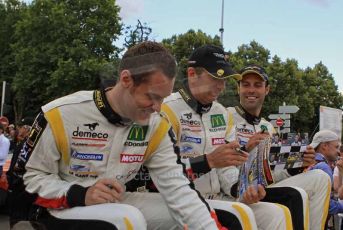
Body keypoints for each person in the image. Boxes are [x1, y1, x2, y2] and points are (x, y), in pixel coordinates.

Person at [16, 41, 223, 230]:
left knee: (201, 214)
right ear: (126, 79)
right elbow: (25, 179)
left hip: (117, 201)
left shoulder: (157, 127)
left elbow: (178, 188)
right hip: (58, 208)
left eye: (164, 98)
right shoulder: (60, 113)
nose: (158, 107)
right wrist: (80, 193)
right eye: (151, 97)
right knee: (127, 219)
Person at [161, 45, 292, 230]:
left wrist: (242, 189)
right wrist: (208, 161)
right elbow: (160, 174)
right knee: (242, 216)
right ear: (192, 74)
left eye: (224, 79)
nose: (221, 86)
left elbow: (227, 168)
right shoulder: (166, 109)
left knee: (276, 214)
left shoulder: (222, 114)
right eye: (215, 78)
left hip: (219, 197)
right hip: (183, 200)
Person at [226, 64, 331, 230]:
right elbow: (220, 167)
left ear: (267, 90)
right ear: (238, 88)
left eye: (258, 85)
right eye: (245, 85)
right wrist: (245, 148)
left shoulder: (268, 127)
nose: (251, 90)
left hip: (264, 190)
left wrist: (297, 165)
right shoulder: (225, 116)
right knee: (296, 196)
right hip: (234, 193)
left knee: (320, 176)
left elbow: (274, 175)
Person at [309, 130, 343, 214]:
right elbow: (326, 204)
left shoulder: (311, 162)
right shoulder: (323, 167)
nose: (339, 152)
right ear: (324, 146)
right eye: (336, 147)